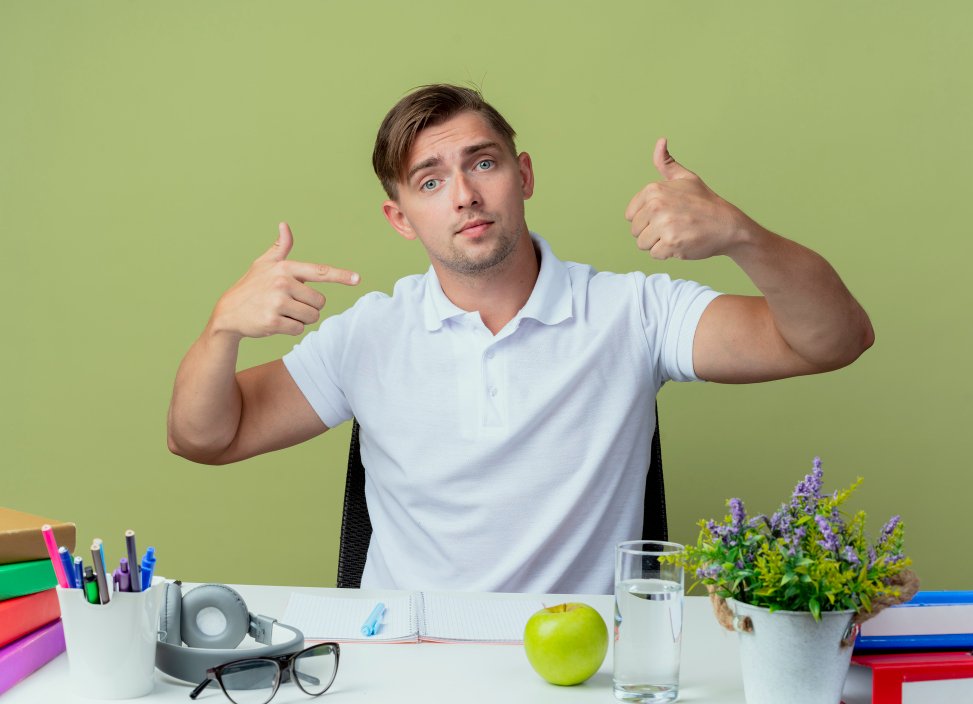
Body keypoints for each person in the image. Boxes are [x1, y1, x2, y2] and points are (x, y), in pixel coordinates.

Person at [167, 84, 874, 594]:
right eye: (430, 181)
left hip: (582, 671)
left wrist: (742, 235)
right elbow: (204, 437)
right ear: (401, 218)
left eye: (483, 163)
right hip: (406, 667)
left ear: (523, 174)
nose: (464, 195)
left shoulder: (633, 312)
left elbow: (833, 340)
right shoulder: (368, 335)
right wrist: (222, 327)